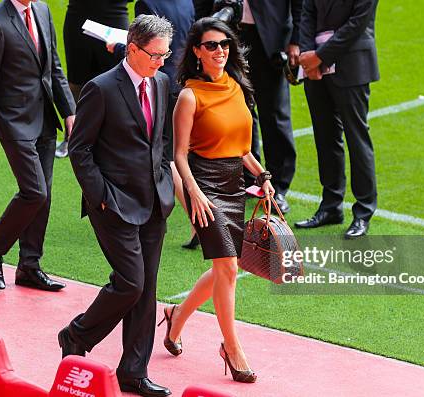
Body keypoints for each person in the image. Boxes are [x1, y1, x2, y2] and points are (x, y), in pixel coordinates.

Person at [58, 15, 175, 397]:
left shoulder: (160, 83)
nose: (162, 61)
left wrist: (166, 186)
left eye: (165, 54)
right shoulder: (101, 88)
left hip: (154, 202)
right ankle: (76, 334)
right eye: (156, 55)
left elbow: (162, 141)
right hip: (114, 203)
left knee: (147, 287)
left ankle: (133, 372)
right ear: (134, 49)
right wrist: (102, 198)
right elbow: (80, 149)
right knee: (130, 282)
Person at [162, 17, 274, 383]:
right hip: (200, 181)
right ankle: (231, 347)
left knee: (225, 266)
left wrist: (262, 176)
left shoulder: (237, 89)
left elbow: (242, 149)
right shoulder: (189, 95)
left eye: (225, 44)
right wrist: (192, 192)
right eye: (211, 45)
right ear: (197, 51)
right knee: (228, 266)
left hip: (233, 181)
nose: (220, 51)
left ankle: (177, 317)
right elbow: (179, 155)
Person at [0, 0, 76, 291]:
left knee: (45, 196)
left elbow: (53, 66)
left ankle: (29, 266)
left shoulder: (42, 10)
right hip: (13, 121)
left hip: (43, 118)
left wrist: (69, 111)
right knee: (35, 192)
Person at [105, 0, 200, 250]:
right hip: (181, 84)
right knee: (176, 154)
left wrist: (116, 48)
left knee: (167, 157)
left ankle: (195, 219)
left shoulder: (147, 3)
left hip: (160, 84)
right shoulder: (187, 2)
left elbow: (142, 46)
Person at [194, 0, 302, 214]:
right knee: (238, 110)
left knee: (275, 113)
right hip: (227, 35)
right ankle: (248, 177)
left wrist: (296, 39)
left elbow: (299, 3)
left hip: (270, 37)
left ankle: (278, 186)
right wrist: (202, 28)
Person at [295, 0, 380, 239]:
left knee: (357, 138)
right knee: (325, 137)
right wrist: (306, 55)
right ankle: (331, 206)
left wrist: (319, 56)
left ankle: (363, 212)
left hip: (351, 65)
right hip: (315, 70)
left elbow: (356, 25)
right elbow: (306, 14)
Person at [55, 0, 131, 158]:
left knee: (116, 82)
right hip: (78, 19)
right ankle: (72, 137)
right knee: (77, 79)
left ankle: (114, 139)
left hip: (114, 19)